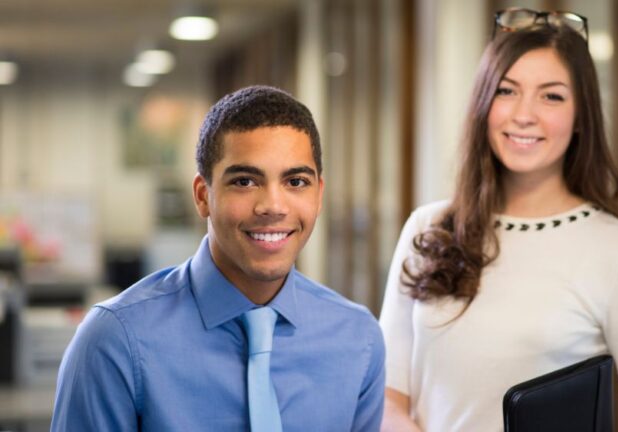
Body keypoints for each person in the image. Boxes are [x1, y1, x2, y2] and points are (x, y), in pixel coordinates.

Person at [379, 8, 618, 432]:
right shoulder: (426, 227)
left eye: (551, 96)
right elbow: (388, 396)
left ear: (581, 118)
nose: (524, 114)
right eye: (506, 91)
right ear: (484, 103)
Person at [51, 85, 385, 431]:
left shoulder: (358, 339)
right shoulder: (115, 341)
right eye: (244, 181)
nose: (272, 206)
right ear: (202, 196)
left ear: (318, 195)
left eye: (296, 181)